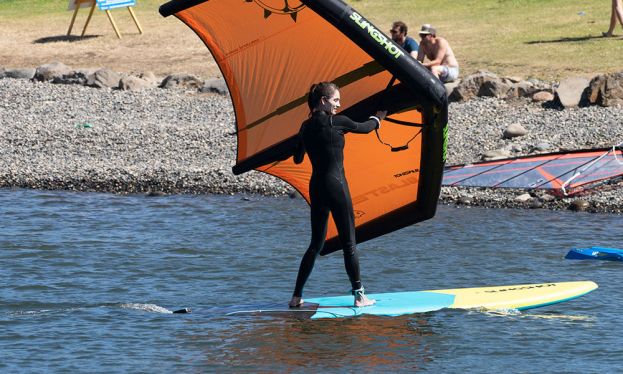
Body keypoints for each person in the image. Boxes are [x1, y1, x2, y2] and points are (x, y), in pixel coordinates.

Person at [288, 82, 387, 308]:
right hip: (336, 186)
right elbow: (365, 128)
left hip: (317, 187)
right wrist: (379, 118)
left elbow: (297, 158)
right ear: (323, 100)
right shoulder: (338, 122)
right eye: (335, 100)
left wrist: (306, 143)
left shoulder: (305, 127)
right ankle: (360, 295)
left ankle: (296, 297)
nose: (339, 104)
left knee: (315, 244)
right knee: (349, 243)